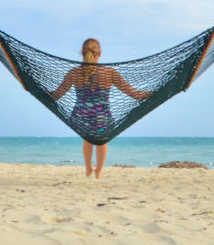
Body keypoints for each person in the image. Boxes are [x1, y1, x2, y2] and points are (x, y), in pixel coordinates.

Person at [50, 38, 150, 179]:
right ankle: (99, 171)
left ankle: (88, 167)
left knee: (88, 138)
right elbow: (135, 94)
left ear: (82, 54)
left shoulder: (74, 73)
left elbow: (56, 95)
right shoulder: (109, 73)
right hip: (102, 119)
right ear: (100, 53)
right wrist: (155, 93)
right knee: (101, 140)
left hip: (80, 119)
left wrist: (33, 87)